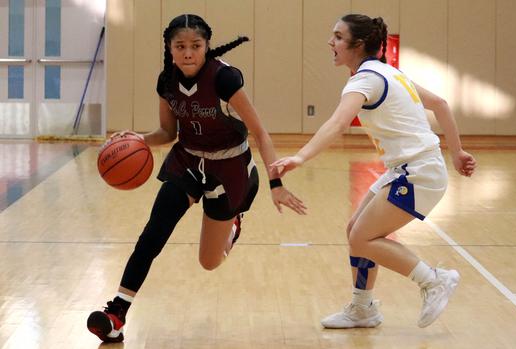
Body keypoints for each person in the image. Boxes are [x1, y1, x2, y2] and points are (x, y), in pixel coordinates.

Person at [87, 14, 306, 343]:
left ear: (206, 47)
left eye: (195, 46)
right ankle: (117, 312)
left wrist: (277, 183)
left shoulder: (224, 79)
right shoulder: (166, 82)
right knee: (153, 233)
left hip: (231, 168)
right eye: (180, 46)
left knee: (209, 262)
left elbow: (260, 131)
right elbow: (166, 132)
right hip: (187, 161)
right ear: (170, 49)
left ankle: (233, 222)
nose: (188, 52)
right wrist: (136, 139)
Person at [271, 14, 476, 329]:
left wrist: (301, 156)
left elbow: (338, 123)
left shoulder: (365, 79)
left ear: (359, 44)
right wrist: (457, 151)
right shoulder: (389, 72)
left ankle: (433, 280)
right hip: (408, 168)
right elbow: (441, 104)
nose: (331, 42)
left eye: (338, 37)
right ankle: (363, 308)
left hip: (418, 172)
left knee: (363, 237)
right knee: (356, 230)